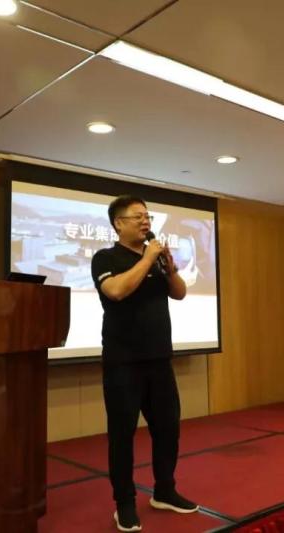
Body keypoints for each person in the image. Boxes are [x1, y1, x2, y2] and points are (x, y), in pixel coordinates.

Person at [91, 195, 199, 532]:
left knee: (168, 429)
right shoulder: (105, 257)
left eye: (147, 216)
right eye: (137, 216)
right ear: (118, 223)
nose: (145, 221)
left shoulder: (156, 257)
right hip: (123, 363)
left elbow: (179, 293)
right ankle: (124, 503)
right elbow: (116, 291)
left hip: (159, 359)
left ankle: (164, 490)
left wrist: (169, 267)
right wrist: (148, 258)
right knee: (122, 436)